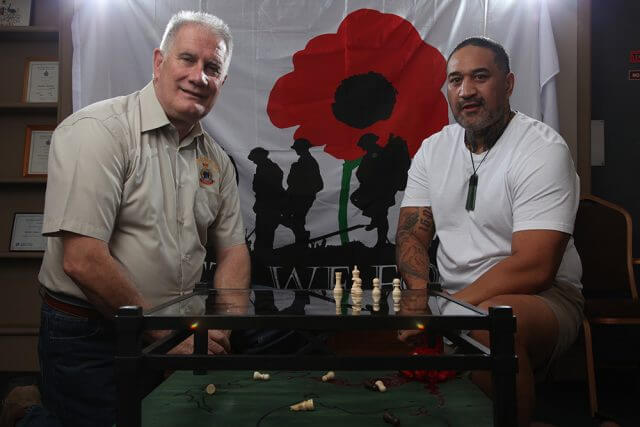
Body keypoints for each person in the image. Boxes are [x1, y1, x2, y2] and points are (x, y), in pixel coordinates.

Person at [1, 11, 250, 427]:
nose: (199, 76)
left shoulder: (217, 161)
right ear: (158, 62)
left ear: (222, 82)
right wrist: (168, 338)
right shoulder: (98, 131)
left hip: (174, 329)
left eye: (213, 68)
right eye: (187, 59)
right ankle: (26, 412)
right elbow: (81, 259)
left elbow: (234, 251)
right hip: (89, 332)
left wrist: (222, 327)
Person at [395, 37, 584, 427]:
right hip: (453, 298)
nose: (466, 91)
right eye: (455, 80)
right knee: (371, 332)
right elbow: (412, 234)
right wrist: (418, 302)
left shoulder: (542, 149)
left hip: (542, 298)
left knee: (488, 326)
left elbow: (535, 267)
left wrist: (447, 312)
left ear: (509, 84)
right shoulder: (433, 149)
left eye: (480, 77)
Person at [283, 138, 323, 245]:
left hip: (302, 197)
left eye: (298, 148)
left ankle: (302, 239)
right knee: (292, 219)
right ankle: (302, 237)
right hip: (298, 196)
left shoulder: (308, 163)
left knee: (296, 219)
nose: (296, 150)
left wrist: (305, 192)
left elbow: (317, 184)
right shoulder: (303, 162)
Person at [248, 147, 286, 250]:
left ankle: (263, 257)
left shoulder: (268, 168)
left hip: (269, 207)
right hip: (267, 206)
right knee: (263, 234)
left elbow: (264, 189)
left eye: (255, 159)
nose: (254, 162)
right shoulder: (264, 167)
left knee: (265, 234)